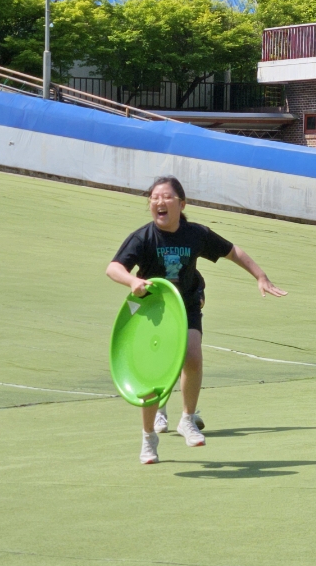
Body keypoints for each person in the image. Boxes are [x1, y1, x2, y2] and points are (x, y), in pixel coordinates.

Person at [107, 176, 286, 464]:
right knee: (154, 374)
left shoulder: (195, 234)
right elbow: (113, 267)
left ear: (181, 203)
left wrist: (261, 276)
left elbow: (232, 251)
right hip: (152, 309)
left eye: (165, 197)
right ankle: (148, 438)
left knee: (192, 356)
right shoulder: (143, 237)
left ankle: (187, 418)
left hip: (186, 304)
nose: (159, 202)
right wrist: (131, 281)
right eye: (154, 198)